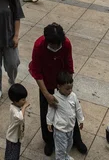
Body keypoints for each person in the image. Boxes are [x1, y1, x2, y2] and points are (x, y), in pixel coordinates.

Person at [29, 23, 87, 157]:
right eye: (53, 45)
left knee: (69, 109)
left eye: (57, 44)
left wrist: (67, 87)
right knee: (47, 110)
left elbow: (69, 65)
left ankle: (76, 139)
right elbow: (36, 72)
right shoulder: (39, 46)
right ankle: (49, 141)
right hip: (46, 83)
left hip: (61, 82)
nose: (55, 47)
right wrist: (46, 94)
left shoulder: (66, 44)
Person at [46, 71, 85, 160]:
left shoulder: (73, 96)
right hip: (60, 129)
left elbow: (78, 108)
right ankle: (60, 158)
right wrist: (49, 122)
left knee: (69, 144)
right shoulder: (55, 97)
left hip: (70, 127)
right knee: (60, 149)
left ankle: (66, 156)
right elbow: (51, 110)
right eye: (67, 89)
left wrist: (81, 119)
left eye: (71, 88)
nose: (70, 91)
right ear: (59, 86)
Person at [6, 83, 29, 160]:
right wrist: (24, 107)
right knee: (12, 155)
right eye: (23, 100)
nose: (25, 101)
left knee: (15, 154)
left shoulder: (17, 106)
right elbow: (20, 118)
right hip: (12, 138)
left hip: (17, 137)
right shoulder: (14, 109)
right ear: (15, 101)